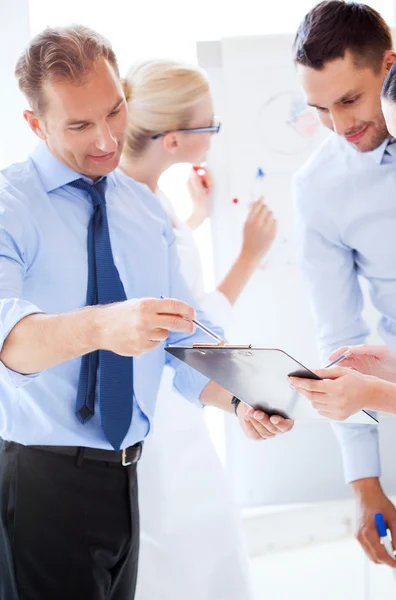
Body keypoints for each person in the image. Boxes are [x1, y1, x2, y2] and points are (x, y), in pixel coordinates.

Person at [0, 26, 293, 600]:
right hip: (39, 483)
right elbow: (8, 340)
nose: (109, 139)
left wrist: (240, 399)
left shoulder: (144, 208)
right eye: (81, 125)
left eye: (115, 112)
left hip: (127, 479)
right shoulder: (11, 205)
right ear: (36, 124)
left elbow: (182, 347)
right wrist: (106, 325)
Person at [291, 29, 396, 600]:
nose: (339, 126)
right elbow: (339, 328)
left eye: (349, 100)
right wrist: (365, 479)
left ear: (387, 67)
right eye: (319, 110)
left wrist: (377, 392)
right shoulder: (319, 187)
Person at [120, 59, 276, 600]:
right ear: (170, 140)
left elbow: (162, 279)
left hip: (173, 404)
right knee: (190, 554)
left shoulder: (146, 195)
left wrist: (195, 219)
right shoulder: (136, 207)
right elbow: (188, 323)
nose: (214, 137)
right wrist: (249, 258)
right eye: (209, 127)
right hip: (163, 413)